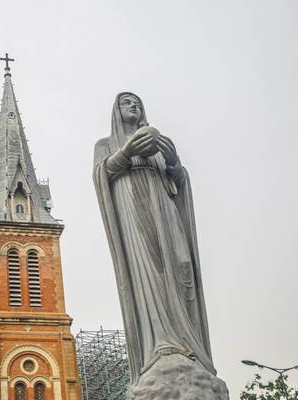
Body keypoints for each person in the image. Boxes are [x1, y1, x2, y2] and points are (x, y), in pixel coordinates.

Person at [93, 92, 216, 383]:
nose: (133, 105)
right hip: (134, 212)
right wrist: (125, 153)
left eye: (137, 102)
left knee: (182, 265)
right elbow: (101, 175)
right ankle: (160, 343)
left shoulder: (160, 147)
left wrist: (173, 160)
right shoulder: (106, 145)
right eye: (126, 102)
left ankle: (189, 345)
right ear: (116, 111)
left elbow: (178, 180)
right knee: (149, 271)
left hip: (165, 208)